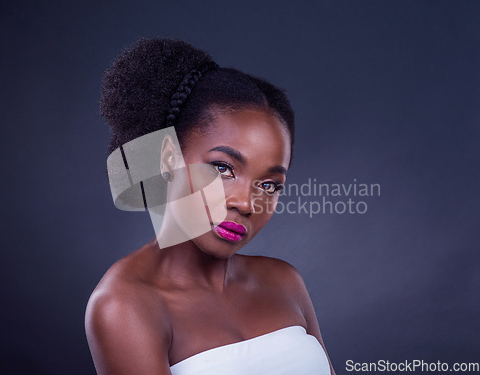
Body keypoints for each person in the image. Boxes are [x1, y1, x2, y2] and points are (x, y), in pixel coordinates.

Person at [85, 37, 335, 375]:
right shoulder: (126, 304)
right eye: (223, 168)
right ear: (168, 157)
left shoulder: (283, 281)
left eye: (269, 184)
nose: (246, 203)